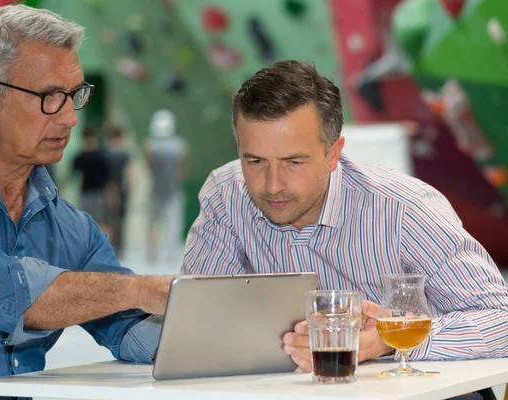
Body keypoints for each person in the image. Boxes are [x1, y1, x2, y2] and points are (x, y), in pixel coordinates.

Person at [182, 60, 508, 396]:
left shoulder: (404, 208)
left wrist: (385, 338)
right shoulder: (226, 196)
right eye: (254, 162)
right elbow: (198, 326)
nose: (273, 185)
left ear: (334, 152)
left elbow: (501, 320)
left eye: (294, 162)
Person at [0, 5, 170, 400]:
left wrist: (225, 333)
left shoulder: (73, 229)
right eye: (50, 97)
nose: (70, 119)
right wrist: (136, 289)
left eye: (74, 95)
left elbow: (129, 331)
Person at [144, 110, 188, 262]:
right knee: (173, 225)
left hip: (156, 190)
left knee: (153, 224)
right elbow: (182, 171)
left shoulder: (150, 144)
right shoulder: (180, 145)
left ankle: (152, 254)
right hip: (174, 190)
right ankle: (170, 254)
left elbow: (150, 166)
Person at [73, 127, 113, 234]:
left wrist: (109, 195)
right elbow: (72, 174)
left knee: (101, 221)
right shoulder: (80, 157)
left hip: (98, 193)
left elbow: (108, 179)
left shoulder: (102, 156)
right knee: (85, 222)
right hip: (86, 192)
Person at [103, 125, 132, 256]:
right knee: (120, 220)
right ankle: (119, 248)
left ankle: (108, 246)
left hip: (106, 190)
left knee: (107, 219)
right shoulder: (124, 154)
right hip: (121, 190)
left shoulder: (105, 153)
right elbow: (128, 174)